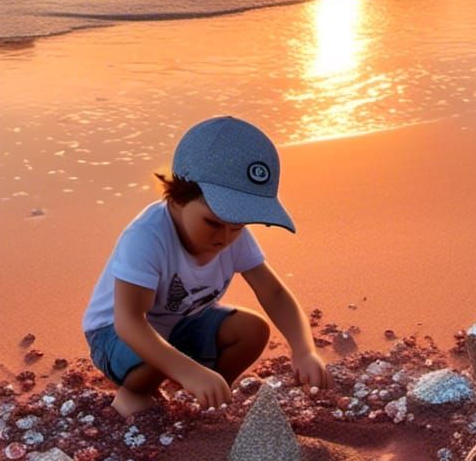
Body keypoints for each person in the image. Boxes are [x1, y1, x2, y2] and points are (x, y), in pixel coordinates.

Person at [83, 115, 330, 417]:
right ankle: (136, 392)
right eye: (212, 223)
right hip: (116, 335)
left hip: (182, 323)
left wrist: (304, 350)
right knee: (147, 358)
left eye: (237, 226)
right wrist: (188, 371)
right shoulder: (147, 236)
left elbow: (274, 293)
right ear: (177, 199)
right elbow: (130, 322)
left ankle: (208, 390)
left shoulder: (231, 233)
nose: (225, 237)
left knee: (251, 330)